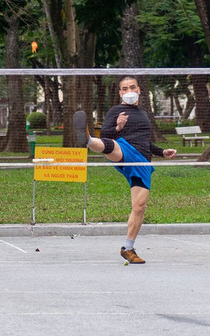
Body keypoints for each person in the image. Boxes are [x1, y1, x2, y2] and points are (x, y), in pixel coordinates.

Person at [73, 76, 176, 264]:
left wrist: (161, 152)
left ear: (139, 90)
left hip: (143, 162)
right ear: (120, 93)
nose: (129, 91)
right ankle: (88, 140)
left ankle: (128, 248)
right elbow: (107, 135)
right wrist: (118, 126)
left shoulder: (143, 114)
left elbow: (146, 141)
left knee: (139, 207)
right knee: (112, 146)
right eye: (125, 88)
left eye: (132, 87)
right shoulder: (115, 110)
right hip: (125, 150)